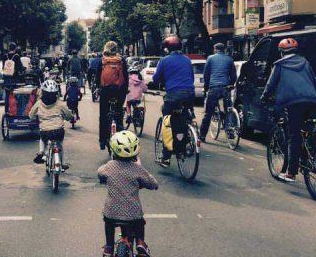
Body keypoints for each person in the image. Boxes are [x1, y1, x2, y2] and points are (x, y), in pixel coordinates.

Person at [261, 38, 316, 182]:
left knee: (294, 135)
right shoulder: (305, 62)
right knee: (309, 130)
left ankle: (291, 173)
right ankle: (310, 151)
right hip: (311, 100)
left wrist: (265, 97)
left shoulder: (279, 65)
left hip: (293, 102)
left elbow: (271, 84)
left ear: (281, 52)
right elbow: (313, 80)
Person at [98, 130, 158, 257]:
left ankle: (109, 247)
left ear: (113, 151)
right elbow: (153, 183)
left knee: (109, 224)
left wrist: (104, 179)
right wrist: (140, 167)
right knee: (140, 222)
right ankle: (141, 242)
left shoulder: (109, 166)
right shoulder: (137, 169)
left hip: (111, 213)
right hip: (132, 214)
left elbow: (100, 173)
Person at [152, 36, 195, 167]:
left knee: (167, 122)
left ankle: (166, 158)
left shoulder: (164, 61)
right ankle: (188, 133)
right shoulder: (187, 60)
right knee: (184, 114)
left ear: (167, 48)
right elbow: (191, 77)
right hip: (189, 94)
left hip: (173, 95)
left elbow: (156, 78)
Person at [199, 43, 237, 142]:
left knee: (208, 113)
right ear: (224, 49)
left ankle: (202, 135)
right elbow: (233, 75)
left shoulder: (210, 58)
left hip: (214, 87)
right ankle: (230, 132)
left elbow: (206, 74)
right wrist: (231, 84)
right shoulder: (229, 59)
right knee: (228, 110)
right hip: (225, 87)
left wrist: (206, 87)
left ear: (215, 49)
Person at [30, 80, 73, 166]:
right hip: (58, 131)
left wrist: (36, 117)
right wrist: (68, 118)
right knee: (60, 145)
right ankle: (63, 163)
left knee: (42, 138)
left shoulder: (38, 103)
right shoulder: (60, 104)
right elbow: (69, 116)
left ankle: (41, 151)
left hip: (45, 132)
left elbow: (31, 115)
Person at [96, 42, 129, 150]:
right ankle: (120, 138)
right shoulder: (121, 60)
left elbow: (97, 76)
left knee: (103, 115)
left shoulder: (103, 60)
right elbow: (125, 76)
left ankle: (102, 140)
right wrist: (125, 89)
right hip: (119, 91)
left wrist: (98, 87)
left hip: (105, 91)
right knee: (119, 114)